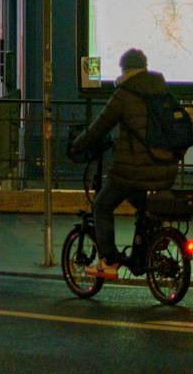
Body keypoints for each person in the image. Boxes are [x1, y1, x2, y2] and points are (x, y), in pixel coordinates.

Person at [68, 48, 182, 280]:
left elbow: (99, 127)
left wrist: (76, 146)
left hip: (132, 172)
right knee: (145, 206)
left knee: (102, 204)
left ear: (124, 70)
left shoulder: (124, 94)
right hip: (165, 170)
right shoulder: (162, 91)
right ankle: (147, 250)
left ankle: (109, 261)